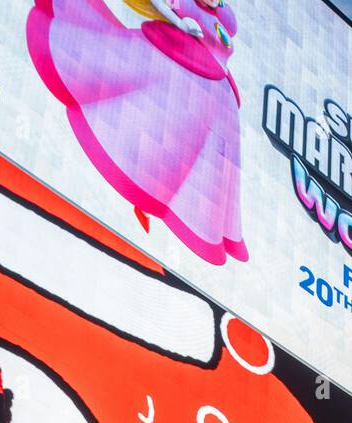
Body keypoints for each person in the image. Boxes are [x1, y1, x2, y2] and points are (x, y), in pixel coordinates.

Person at [27, 0, 248, 264]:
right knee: (156, 124)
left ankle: (185, 216)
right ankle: (141, 193)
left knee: (206, 160)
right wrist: (179, 23)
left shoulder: (224, 16)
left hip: (215, 98)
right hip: (175, 69)